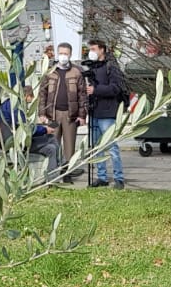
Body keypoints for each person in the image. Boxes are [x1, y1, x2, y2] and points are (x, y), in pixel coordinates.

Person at [38, 42, 87, 182]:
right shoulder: (49, 71)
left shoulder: (77, 72)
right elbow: (42, 94)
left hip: (70, 115)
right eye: (61, 53)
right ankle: (52, 174)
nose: (63, 56)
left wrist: (82, 115)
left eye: (66, 53)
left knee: (69, 146)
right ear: (56, 54)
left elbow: (82, 95)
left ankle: (67, 174)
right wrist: (41, 113)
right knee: (52, 144)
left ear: (70, 54)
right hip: (52, 115)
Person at [83, 38, 128, 189]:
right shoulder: (93, 67)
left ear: (102, 49)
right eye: (90, 49)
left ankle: (118, 178)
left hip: (107, 112)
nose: (91, 52)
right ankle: (101, 177)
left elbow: (115, 88)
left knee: (111, 146)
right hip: (94, 111)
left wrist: (96, 90)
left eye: (94, 49)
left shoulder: (112, 67)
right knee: (97, 147)